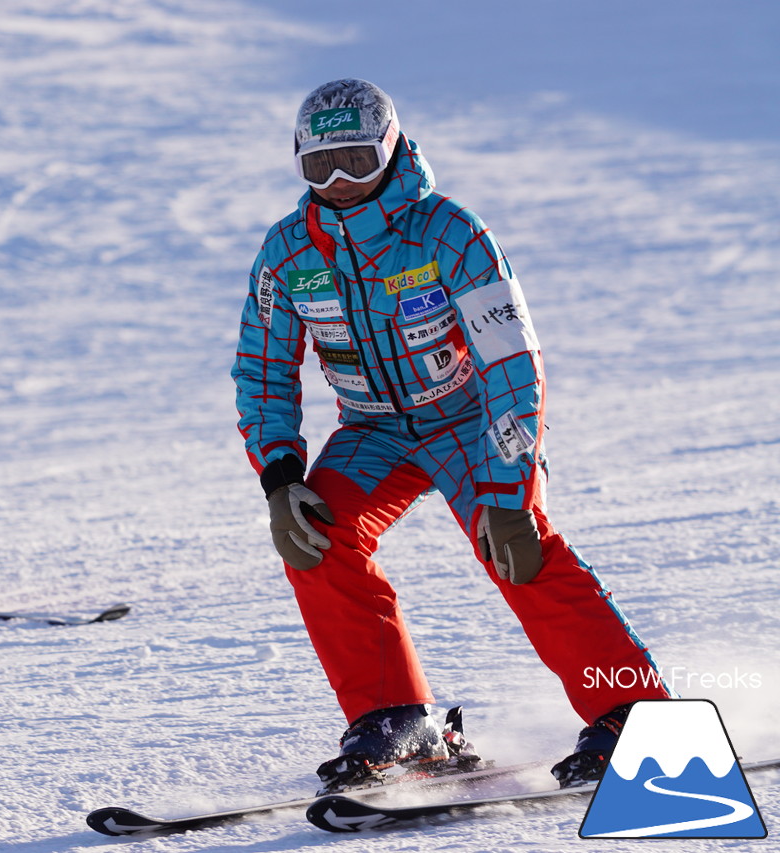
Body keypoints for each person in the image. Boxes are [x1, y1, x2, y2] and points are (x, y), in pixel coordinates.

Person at [230, 79, 672, 792]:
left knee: (517, 547)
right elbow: (263, 369)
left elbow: (510, 363)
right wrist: (281, 476)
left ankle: (637, 715)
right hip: (374, 431)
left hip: (470, 419)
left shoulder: (449, 231)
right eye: (320, 166)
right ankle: (399, 724)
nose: (340, 181)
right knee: (316, 535)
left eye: (357, 160)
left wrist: (510, 488)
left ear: (393, 149)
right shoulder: (287, 254)